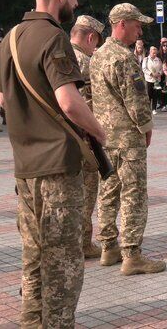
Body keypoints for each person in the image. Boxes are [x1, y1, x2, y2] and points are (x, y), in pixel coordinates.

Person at [0, 0, 106, 328]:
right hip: (58, 168)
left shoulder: (10, 38)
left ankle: (31, 321)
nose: (76, 0)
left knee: (34, 253)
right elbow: (69, 102)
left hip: (24, 167)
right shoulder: (52, 36)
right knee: (62, 260)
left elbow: (1, 100)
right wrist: (100, 132)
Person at [90, 3, 166, 275]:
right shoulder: (124, 58)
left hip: (104, 136)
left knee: (108, 190)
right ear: (122, 24)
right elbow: (135, 100)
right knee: (133, 193)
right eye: (136, 25)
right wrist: (146, 127)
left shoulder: (97, 55)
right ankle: (132, 255)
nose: (139, 30)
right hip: (127, 137)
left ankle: (108, 246)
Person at [70, 14, 105, 259]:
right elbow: (88, 104)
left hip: (63, 138)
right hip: (85, 138)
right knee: (88, 189)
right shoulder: (84, 61)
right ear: (90, 37)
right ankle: (83, 243)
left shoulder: (60, 56)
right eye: (96, 43)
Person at [142, 46, 163, 114]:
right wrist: (151, 74)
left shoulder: (159, 60)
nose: (154, 54)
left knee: (155, 95)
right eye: (153, 53)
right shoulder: (146, 59)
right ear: (150, 52)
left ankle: (154, 109)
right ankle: (148, 108)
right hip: (149, 79)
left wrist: (159, 73)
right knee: (148, 94)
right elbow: (144, 68)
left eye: (155, 53)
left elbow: (161, 68)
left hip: (156, 80)